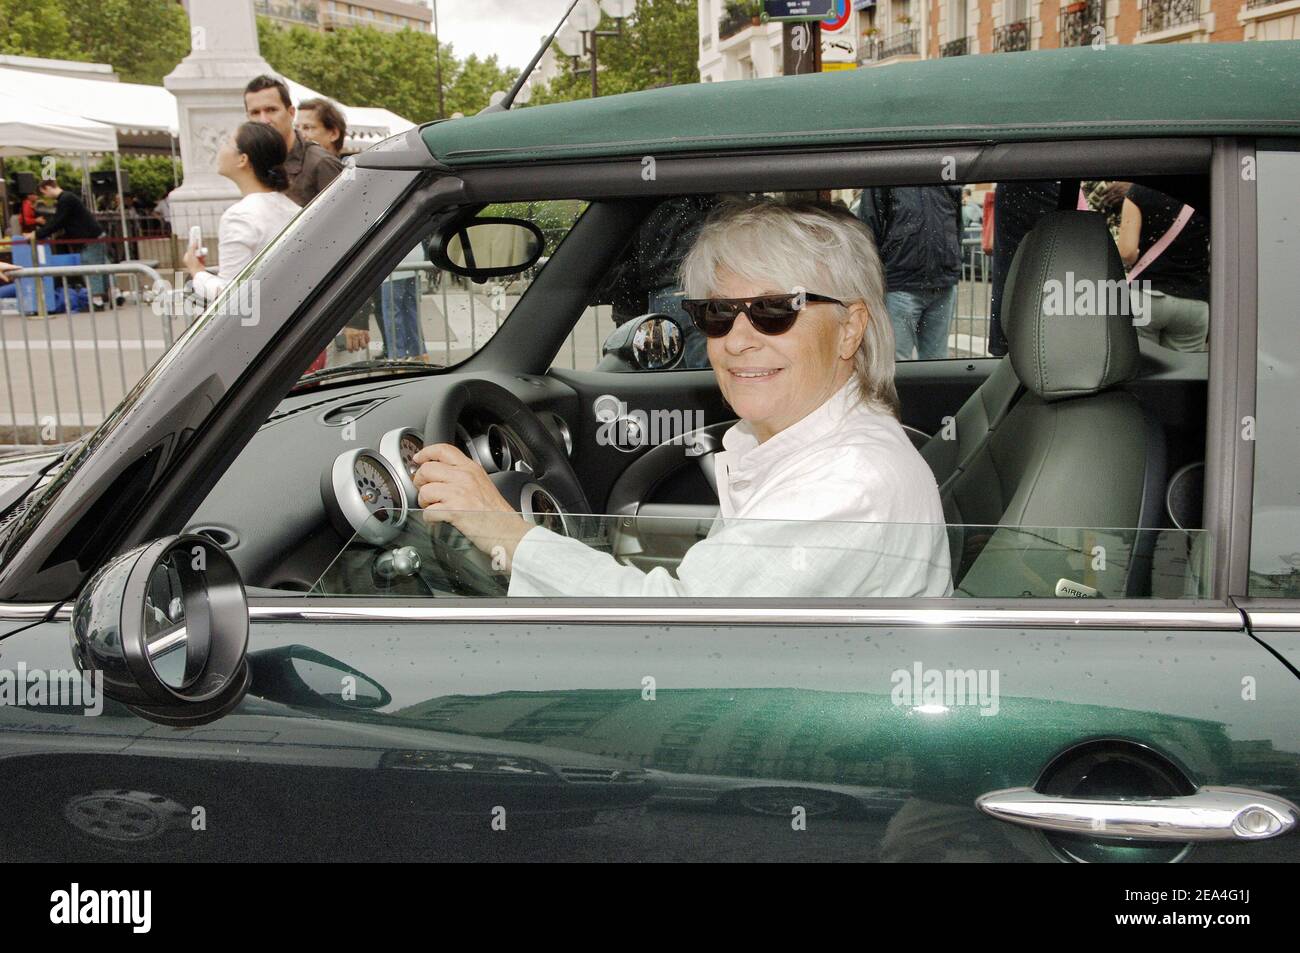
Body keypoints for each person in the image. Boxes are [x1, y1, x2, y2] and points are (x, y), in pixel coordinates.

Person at [409, 200, 953, 599]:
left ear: (850, 328)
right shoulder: (804, 444)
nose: (738, 340)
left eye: (773, 310)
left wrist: (499, 528)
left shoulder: (845, 484)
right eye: (717, 314)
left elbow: (677, 630)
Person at [182, 122, 300, 305]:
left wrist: (197, 271)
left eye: (227, 143)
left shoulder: (239, 216)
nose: (220, 148)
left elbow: (230, 295)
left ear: (242, 159)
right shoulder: (293, 209)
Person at [857, 185, 963, 361]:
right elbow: (868, 232)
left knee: (934, 362)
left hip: (940, 285)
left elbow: (956, 225)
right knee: (898, 362)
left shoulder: (945, 179)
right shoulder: (886, 179)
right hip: (901, 286)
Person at [1117, 183, 1210, 352]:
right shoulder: (1208, 193)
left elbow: (1127, 252)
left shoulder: (1139, 191)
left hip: (1145, 295)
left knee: (1141, 368)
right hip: (1194, 301)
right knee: (1183, 372)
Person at [244, 75, 343, 208]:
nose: (264, 120)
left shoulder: (320, 163)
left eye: (271, 110)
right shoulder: (256, 165)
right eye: (255, 113)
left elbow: (351, 217)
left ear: (291, 113)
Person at [23, 179, 111, 308]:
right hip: (94, 235)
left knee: (91, 266)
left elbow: (58, 221)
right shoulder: (68, 197)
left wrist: (37, 234)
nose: (45, 197)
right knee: (103, 266)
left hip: (90, 238)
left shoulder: (65, 199)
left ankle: (96, 301)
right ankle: (112, 295)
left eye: (44, 193)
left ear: (48, 187)